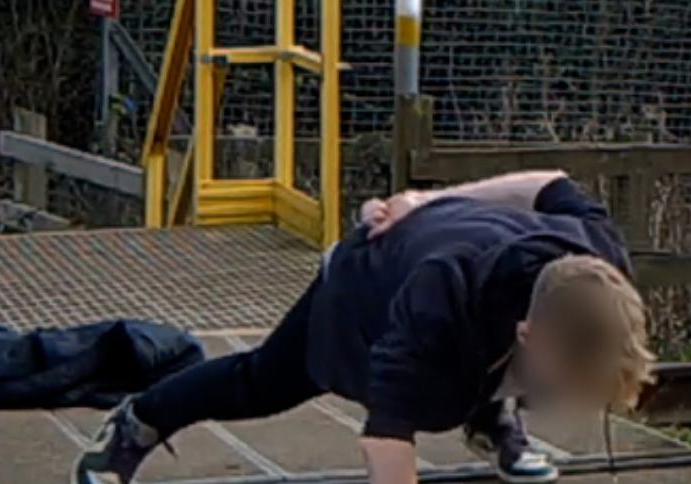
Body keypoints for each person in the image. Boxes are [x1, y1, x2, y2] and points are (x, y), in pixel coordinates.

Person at [73, 169, 654, 484]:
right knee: (260, 382)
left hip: (461, 255)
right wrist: (421, 206)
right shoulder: (437, 303)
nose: (575, 405)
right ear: (528, 334)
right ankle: (137, 423)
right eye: (570, 385)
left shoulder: (601, 260)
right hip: (363, 282)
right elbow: (387, 443)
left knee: (483, 375)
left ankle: (489, 412)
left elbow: (549, 183)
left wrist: (428, 197)